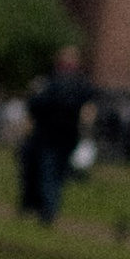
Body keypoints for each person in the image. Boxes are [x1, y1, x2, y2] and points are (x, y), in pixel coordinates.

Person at [19, 43, 92, 225]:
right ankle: (47, 208)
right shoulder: (81, 83)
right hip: (67, 136)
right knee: (56, 173)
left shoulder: (51, 82)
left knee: (47, 171)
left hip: (49, 135)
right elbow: (88, 111)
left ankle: (46, 209)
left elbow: (35, 105)